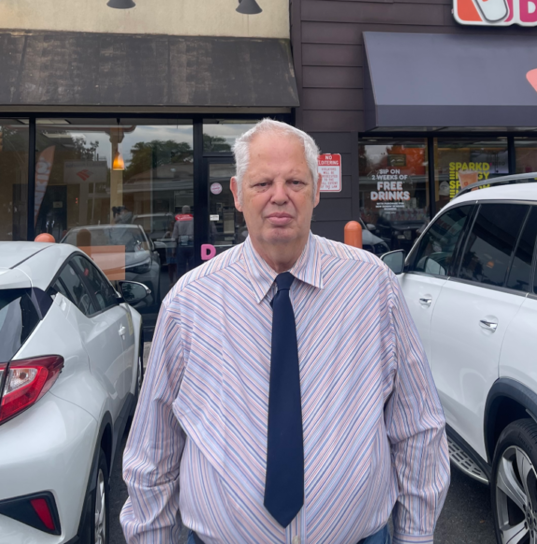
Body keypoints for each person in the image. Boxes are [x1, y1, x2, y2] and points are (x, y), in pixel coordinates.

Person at [121, 119, 449, 544]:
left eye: (295, 180)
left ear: (316, 189)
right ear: (238, 194)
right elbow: (153, 453)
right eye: (262, 183)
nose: (280, 196)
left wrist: (417, 536)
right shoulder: (190, 303)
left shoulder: (373, 288)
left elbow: (417, 425)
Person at [172, 205, 195, 277]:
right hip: (192, 244)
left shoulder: (178, 222)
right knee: (193, 267)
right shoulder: (194, 220)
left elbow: (174, 236)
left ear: (182, 211)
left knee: (181, 267)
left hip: (181, 245)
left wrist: (173, 249)